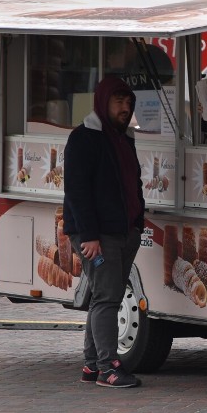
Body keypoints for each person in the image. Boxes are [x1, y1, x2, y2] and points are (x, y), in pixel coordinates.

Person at [62, 76, 146, 388]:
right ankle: (108, 367)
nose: (125, 108)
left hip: (124, 233)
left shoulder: (123, 138)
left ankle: (91, 365)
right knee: (109, 297)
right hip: (98, 236)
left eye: (129, 103)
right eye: (118, 102)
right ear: (102, 102)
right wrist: (88, 236)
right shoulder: (84, 138)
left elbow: (133, 184)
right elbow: (77, 191)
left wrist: (138, 223)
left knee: (103, 297)